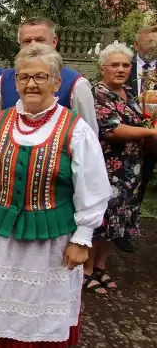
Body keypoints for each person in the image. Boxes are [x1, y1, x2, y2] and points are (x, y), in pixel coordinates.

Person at [0, 44, 111, 347]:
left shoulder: (74, 129)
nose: (31, 84)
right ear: (15, 83)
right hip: (0, 236)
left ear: (57, 82)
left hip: (49, 243)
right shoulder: (0, 123)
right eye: (24, 77)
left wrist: (82, 238)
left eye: (41, 77)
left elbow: (92, 187)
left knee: (39, 304)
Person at [85, 43, 157, 293]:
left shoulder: (130, 93)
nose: (121, 69)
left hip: (130, 170)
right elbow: (111, 129)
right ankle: (86, 271)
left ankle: (101, 268)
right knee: (100, 220)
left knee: (116, 222)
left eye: (125, 65)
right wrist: (150, 132)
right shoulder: (98, 93)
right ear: (102, 68)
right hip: (107, 167)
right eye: (114, 65)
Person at [0, 17, 98, 134]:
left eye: (40, 40)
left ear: (54, 42)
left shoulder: (77, 84)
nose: (33, 45)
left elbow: (89, 134)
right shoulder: (3, 81)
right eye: (27, 41)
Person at [126, 25, 157, 252]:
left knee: (145, 184)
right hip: (130, 138)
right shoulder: (124, 66)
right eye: (149, 44)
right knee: (132, 184)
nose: (152, 48)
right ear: (137, 45)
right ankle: (124, 230)